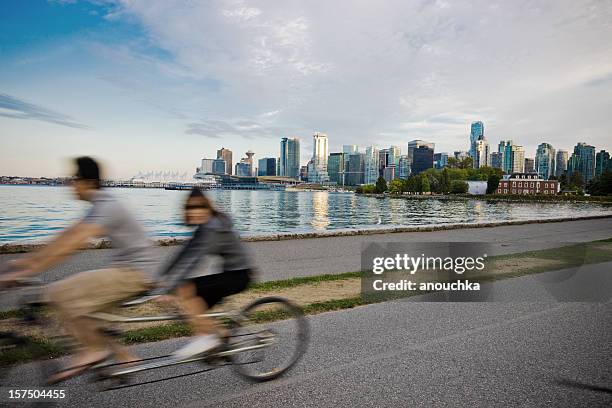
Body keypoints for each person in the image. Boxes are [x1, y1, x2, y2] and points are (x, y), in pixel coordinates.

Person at [0, 157, 157, 383]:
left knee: (60, 293)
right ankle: (125, 358)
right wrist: (27, 263)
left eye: (75, 179)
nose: (71, 184)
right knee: (87, 310)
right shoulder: (101, 204)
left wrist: (28, 270)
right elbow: (68, 235)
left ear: (89, 182)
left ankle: (94, 350)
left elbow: (74, 243)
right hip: (130, 270)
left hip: (137, 273)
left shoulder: (107, 205)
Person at [154, 187, 253, 360]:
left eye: (199, 207)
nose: (195, 212)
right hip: (230, 273)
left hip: (239, 275)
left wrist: (170, 287)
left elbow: (193, 260)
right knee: (193, 307)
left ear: (207, 207)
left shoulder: (212, 228)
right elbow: (183, 254)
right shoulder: (205, 227)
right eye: (190, 208)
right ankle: (221, 337)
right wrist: (160, 279)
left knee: (187, 289)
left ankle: (204, 338)